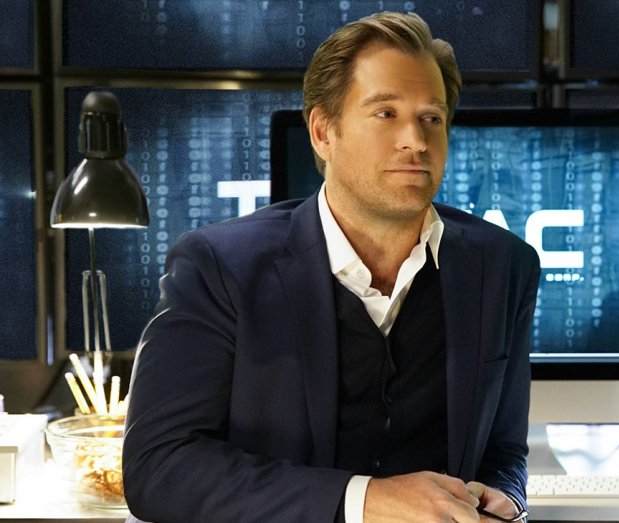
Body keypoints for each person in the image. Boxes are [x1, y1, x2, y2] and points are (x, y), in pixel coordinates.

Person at [122, 11, 540, 523]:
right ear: (323, 132)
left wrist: (506, 496)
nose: (415, 140)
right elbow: (159, 467)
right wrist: (366, 500)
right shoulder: (219, 267)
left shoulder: (504, 264)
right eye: (386, 113)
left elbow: (504, 449)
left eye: (431, 118)